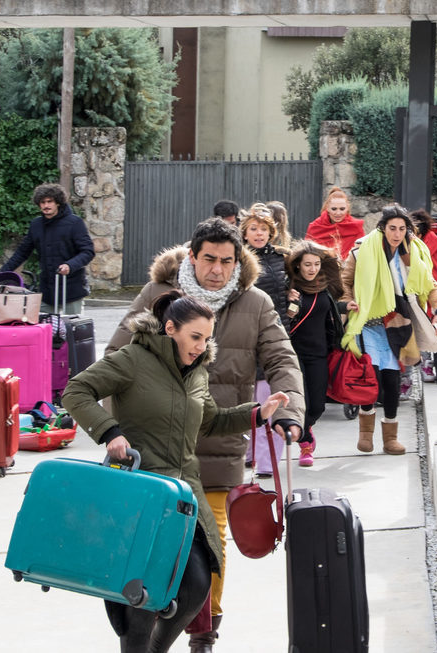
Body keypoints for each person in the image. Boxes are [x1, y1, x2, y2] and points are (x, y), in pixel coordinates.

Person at [105, 218, 305, 651]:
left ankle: (203, 632)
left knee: (210, 542)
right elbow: (113, 359)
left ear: (238, 262)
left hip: (218, 444)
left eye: (226, 261)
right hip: (153, 450)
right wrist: (117, 428)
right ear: (192, 256)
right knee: (149, 543)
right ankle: (140, 633)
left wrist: (291, 410)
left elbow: (282, 360)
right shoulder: (157, 296)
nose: (217, 270)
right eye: (209, 259)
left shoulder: (255, 304)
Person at [63, 290, 289, 651]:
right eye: (195, 336)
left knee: (196, 584)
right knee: (139, 597)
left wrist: (257, 413)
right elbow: (76, 391)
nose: (201, 346)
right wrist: (110, 433)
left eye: (207, 338)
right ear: (170, 328)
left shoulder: (196, 372)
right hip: (141, 492)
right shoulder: (133, 359)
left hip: (184, 493)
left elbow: (211, 421)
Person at [341, 205, 437, 454]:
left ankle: (390, 437)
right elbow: (345, 281)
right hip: (367, 322)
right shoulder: (361, 251)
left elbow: (430, 285)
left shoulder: (414, 254)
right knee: (371, 377)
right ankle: (366, 431)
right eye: (392, 228)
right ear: (382, 228)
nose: (397, 234)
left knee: (391, 380)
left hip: (399, 322)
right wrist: (347, 303)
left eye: (402, 229)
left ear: (408, 230)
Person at [285, 241, 357, 467]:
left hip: (319, 353)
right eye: (307, 264)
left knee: (318, 405)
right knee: (302, 402)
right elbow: (285, 319)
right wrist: (290, 304)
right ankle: (306, 443)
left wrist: (346, 307)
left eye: (316, 264)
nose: (312, 269)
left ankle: (306, 429)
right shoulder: (292, 289)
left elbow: (329, 308)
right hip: (294, 355)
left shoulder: (323, 288)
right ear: (298, 266)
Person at [239, 203, 291, 474]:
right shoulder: (237, 259)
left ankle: (267, 461)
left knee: (270, 395)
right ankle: (249, 452)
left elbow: (293, 288)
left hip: (277, 333)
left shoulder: (281, 258)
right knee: (248, 397)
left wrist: (293, 301)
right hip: (246, 335)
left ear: (271, 232)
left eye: (263, 230)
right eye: (253, 229)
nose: (259, 234)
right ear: (245, 233)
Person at [0, 183, 95, 315]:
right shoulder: (36, 225)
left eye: (50, 202)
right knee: (44, 328)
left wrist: (69, 265)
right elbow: (22, 252)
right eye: (42, 202)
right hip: (47, 290)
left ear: (58, 203)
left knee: (72, 329)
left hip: (71, 288)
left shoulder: (74, 222)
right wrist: (1, 273)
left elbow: (88, 251)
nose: (46, 206)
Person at [408, 208, 437, 383]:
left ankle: (424, 363)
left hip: (426, 288)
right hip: (410, 292)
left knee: (425, 327)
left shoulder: (431, 241)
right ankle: (410, 372)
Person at [304, 186, 365, 259]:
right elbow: (306, 253)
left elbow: (362, 255)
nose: (338, 213)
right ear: (327, 208)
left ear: (347, 208)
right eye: (334, 209)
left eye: (342, 209)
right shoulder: (315, 227)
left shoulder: (356, 227)